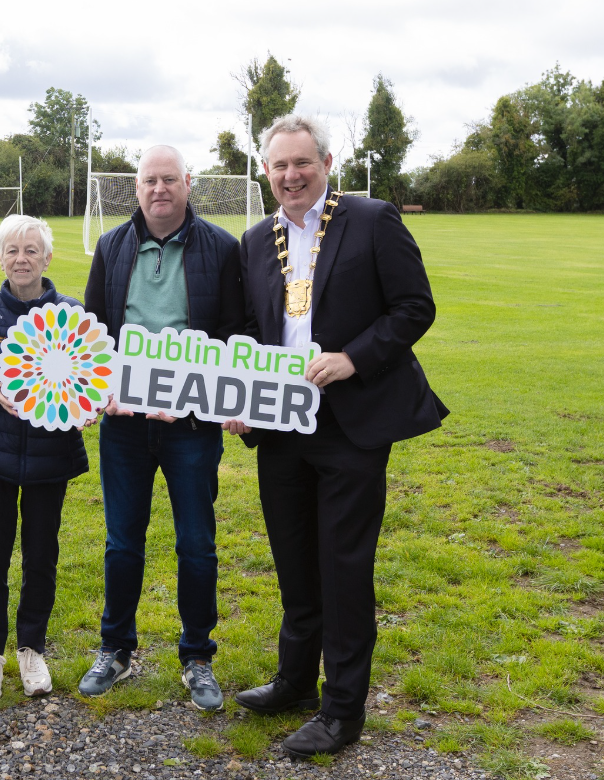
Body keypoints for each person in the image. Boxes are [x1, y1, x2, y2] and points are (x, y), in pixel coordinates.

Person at [226, 114, 448, 756]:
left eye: (302, 164)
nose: (291, 176)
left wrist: (353, 357)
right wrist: (240, 393)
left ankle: (342, 710)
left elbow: (414, 307)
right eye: (279, 167)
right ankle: (294, 682)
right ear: (265, 172)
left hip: (351, 425)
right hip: (280, 425)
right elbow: (248, 326)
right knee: (295, 564)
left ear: (326, 163)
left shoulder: (372, 219)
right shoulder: (253, 239)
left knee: (344, 569)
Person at [79, 145, 243, 711]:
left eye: (169, 179)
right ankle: (115, 649)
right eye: (150, 180)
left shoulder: (222, 248)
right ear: (136, 187)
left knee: (196, 544)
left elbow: (234, 331)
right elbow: (94, 329)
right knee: (122, 542)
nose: (159, 189)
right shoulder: (112, 245)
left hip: (191, 424)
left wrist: (215, 397)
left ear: (188, 183)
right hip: (125, 425)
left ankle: (197, 656)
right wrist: (101, 396)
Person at [0, 215, 89, 699]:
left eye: (31, 250)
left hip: (51, 456)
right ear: (0, 257)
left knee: (41, 555)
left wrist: (86, 407)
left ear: (48, 258)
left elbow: (91, 381)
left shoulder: (72, 313)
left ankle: (32, 649)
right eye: (12, 250)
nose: (21, 259)